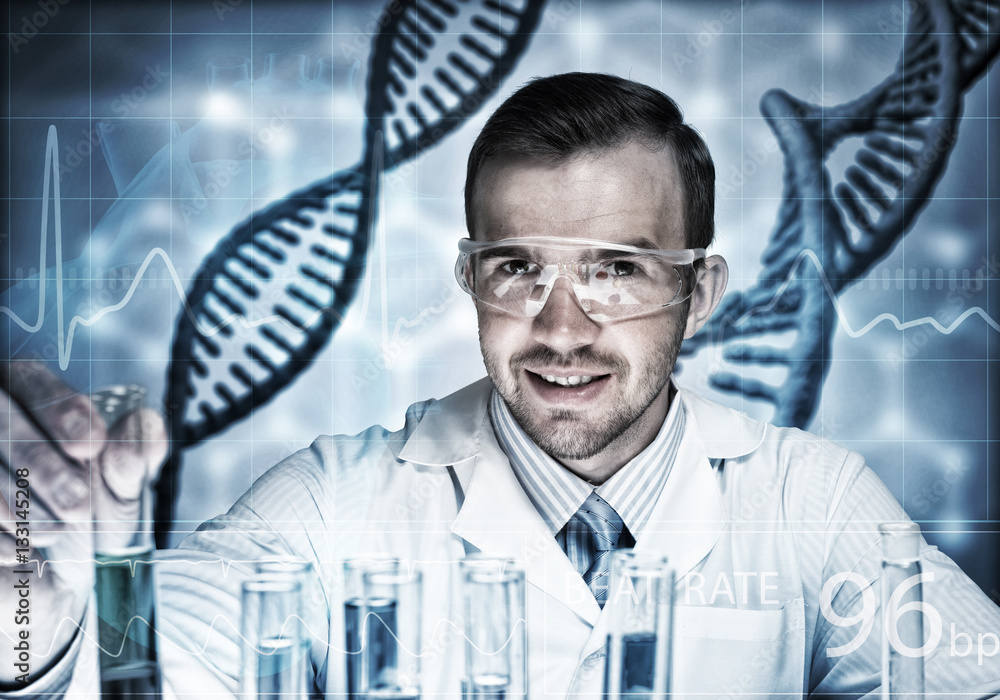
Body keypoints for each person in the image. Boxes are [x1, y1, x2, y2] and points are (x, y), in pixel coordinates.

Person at [4, 72, 1000, 698]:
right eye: (518, 268)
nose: (561, 328)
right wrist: (38, 613)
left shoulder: (809, 499)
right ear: (469, 280)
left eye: (615, 268)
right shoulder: (336, 498)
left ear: (698, 294)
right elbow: (148, 666)